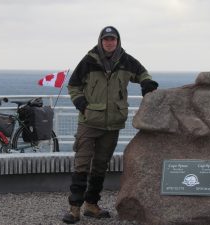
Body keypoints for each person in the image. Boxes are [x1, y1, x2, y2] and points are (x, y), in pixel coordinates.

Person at [62, 26, 158, 224]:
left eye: (112, 39)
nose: (109, 42)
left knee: (100, 167)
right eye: (106, 39)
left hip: (113, 124)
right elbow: (73, 85)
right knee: (81, 164)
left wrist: (147, 84)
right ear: (101, 41)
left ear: (117, 41)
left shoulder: (125, 60)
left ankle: (91, 205)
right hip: (89, 122)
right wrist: (81, 104)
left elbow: (142, 73)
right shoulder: (89, 60)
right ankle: (74, 209)